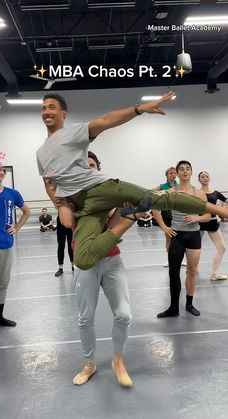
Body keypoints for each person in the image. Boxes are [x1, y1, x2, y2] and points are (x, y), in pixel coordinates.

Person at [36, 93, 228, 271]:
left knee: (158, 200)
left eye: (51, 107)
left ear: (63, 113)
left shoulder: (72, 133)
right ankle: (130, 217)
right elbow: (48, 182)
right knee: (82, 260)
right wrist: (59, 203)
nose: (46, 111)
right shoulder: (41, 153)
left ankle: (221, 210)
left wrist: (140, 109)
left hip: (102, 188)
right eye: (43, 108)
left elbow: (106, 120)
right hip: (85, 205)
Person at [73, 151, 132, 387]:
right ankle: (90, 363)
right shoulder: (73, 197)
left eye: (92, 165)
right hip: (86, 264)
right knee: (85, 318)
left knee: (124, 314)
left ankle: (118, 360)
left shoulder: (113, 197)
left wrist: (124, 213)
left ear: (99, 168)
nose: (89, 169)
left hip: (112, 261)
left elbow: (115, 232)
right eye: (83, 166)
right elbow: (69, 223)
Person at [155, 161, 211, 318]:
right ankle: (173, 308)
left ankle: (189, 304)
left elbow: (208, 215)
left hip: (193, 236)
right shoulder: (171, 192)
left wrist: (196, 217)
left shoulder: (199, 193)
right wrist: (164, 227)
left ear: (191, 172)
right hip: (177, 235)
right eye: (181, 169)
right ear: (177, 173)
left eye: (188, 169)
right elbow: (155, 208)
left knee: (192, 271)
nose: (185, 171)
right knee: (173, 272)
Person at [0, 160, 30, 326]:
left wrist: (17, 227)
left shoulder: (13, 193)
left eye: (1, 170)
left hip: (7, 244)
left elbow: (27, 212)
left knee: (3, 283)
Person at [198, 171, 228, 281]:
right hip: (199, 222)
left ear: (209, 178)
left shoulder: (215, 193)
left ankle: (214, 273)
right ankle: (193, 266)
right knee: (194, 248)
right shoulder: (196, 192)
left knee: (222, 248)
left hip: (212, 222)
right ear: (199, 180)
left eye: (206, 176)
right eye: (202, 177)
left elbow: (226, 200)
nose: (205, 178)